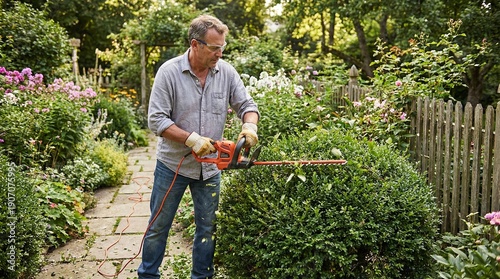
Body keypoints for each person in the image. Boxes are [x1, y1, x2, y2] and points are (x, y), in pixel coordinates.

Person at [137, 14, 260, 279]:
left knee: (208, 228)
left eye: (222, 47)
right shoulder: (169, 72)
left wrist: (250, 126)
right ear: (195, 45)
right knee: (159, 226)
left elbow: (247, 106)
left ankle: (202, 277)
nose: (220, 53)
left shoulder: (226, 72)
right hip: (173, 165)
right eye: (215, 48)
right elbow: (156, 119)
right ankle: (148, 275)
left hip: (210, 169)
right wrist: (191, 139)